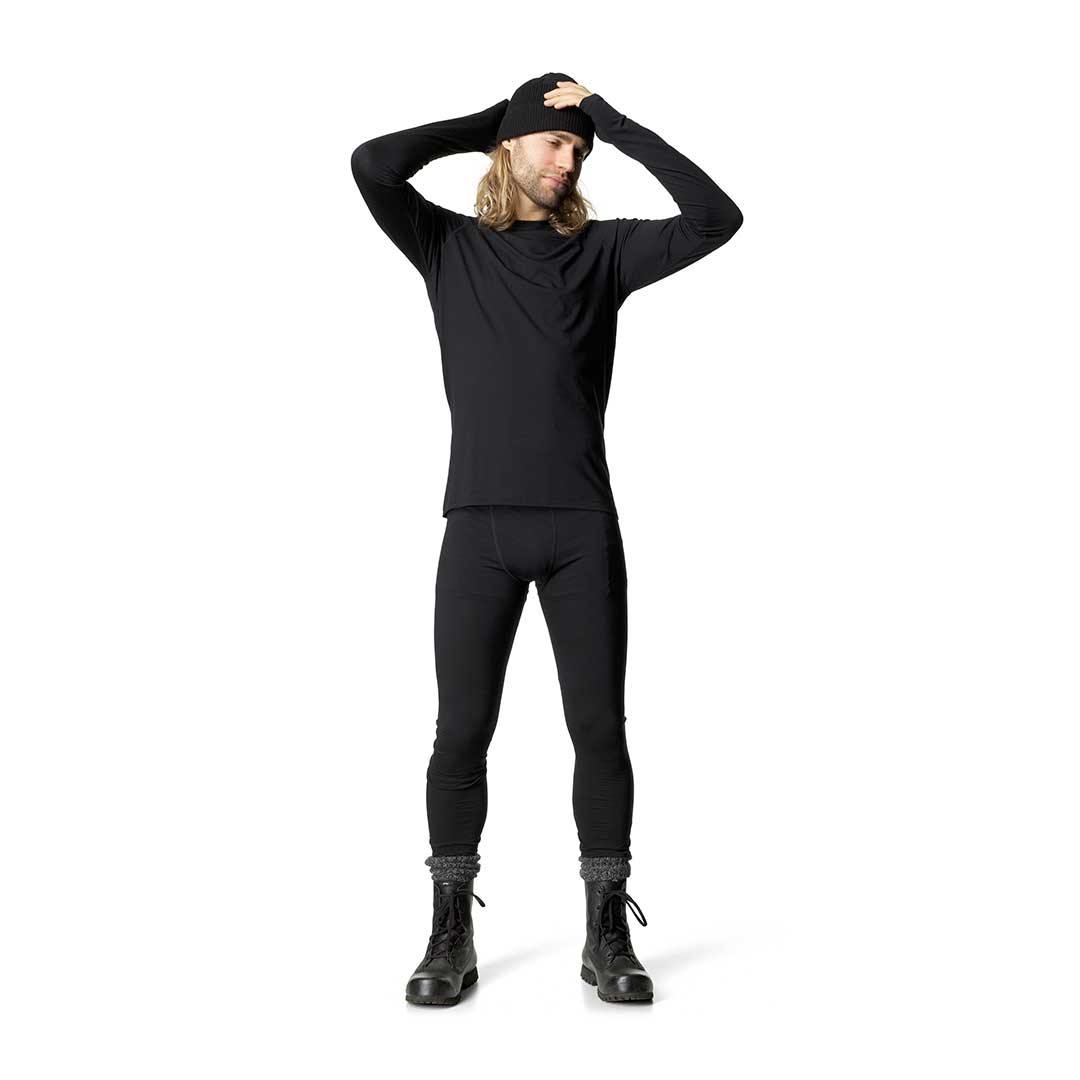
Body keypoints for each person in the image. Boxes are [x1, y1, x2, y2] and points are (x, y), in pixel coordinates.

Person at [350, 72, 743, 1006]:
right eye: (556, 141)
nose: (570, 159)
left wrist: (608, 119)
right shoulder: (446, 244)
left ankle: (606, 933)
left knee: (598, 730)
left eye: (579, 148)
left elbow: (715, 218)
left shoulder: (603, 253)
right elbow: (372, 164)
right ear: (513, 144)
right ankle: (450, 932)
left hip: (580, 528)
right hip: (478, 526)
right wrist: (491, 120)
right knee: (460, 733)